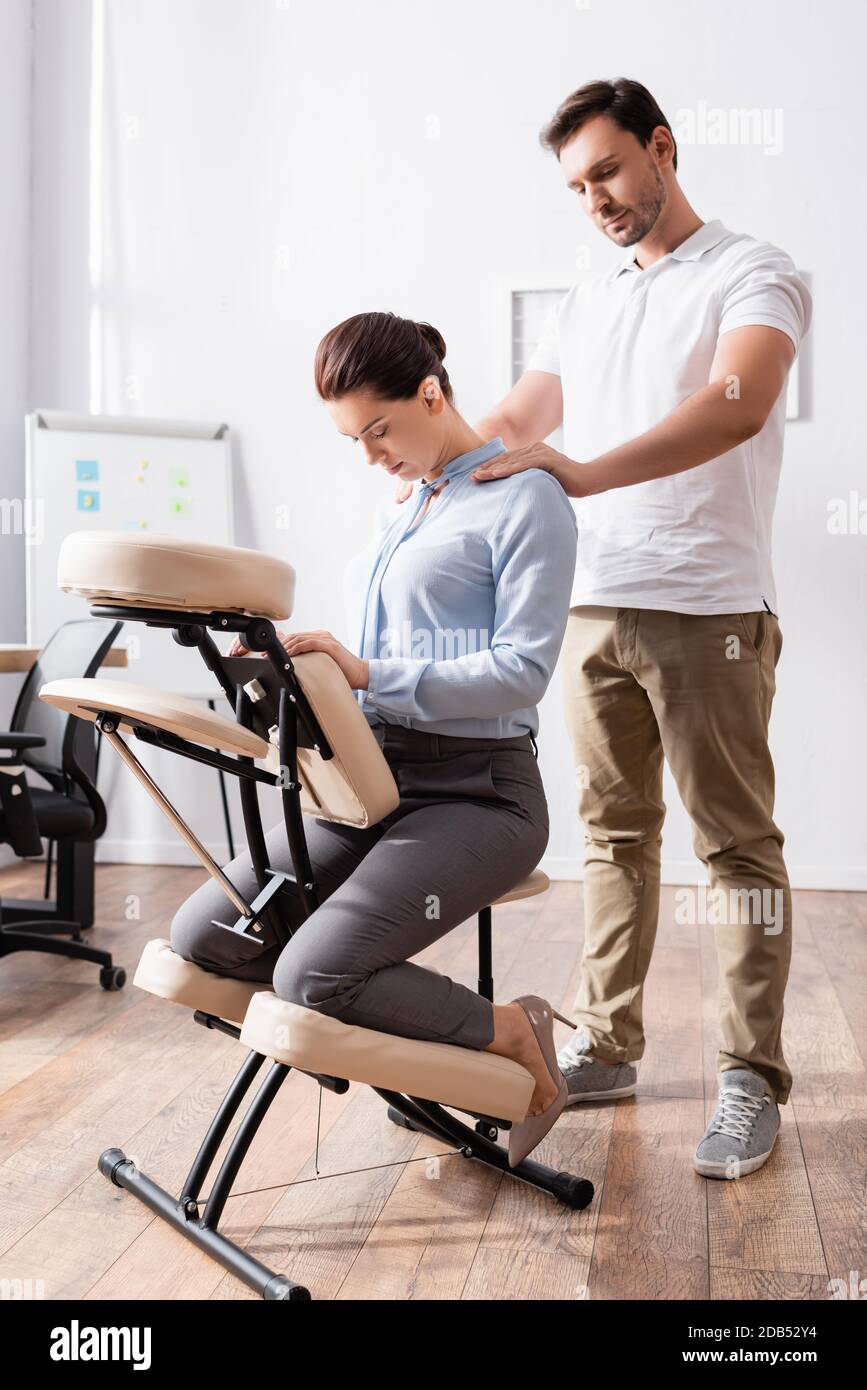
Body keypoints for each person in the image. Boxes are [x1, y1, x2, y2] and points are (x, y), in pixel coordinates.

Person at [458, 77, 812, 1179]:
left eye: (608, 170)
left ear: (662, 148)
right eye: (576, 185)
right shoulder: (589, 293)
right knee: (612, 839)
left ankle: (750, 1078)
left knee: (737, 851)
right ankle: (608, 1039)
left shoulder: (755, 270)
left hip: (709, 610)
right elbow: (519, 421)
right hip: (593, 608)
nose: (596, 198)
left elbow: (737, 401)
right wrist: (427, 451)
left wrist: (587, 474)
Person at [170, 310, 579, 1166]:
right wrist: (295, 670)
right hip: (366, 784)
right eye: (352, 438)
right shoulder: (408, 507)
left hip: (477, 794)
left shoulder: (523, 496)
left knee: (312, 973)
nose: (369, 456)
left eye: (379, 430)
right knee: (210, 934)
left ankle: (507, 1032)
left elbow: (521, 671)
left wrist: (365, 674)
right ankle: (412, 1055)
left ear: (431, 393)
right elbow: (368, 662)